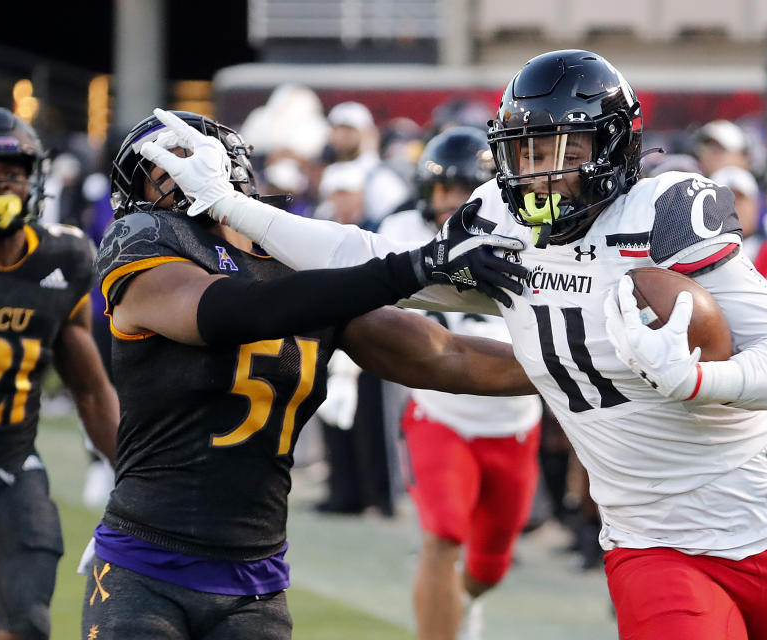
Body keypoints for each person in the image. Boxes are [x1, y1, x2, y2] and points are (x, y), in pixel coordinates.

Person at [157, 49, 767, 639]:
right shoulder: (497, 224)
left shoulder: (663, 214)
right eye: (526, 150)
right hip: (650, 537)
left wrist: (696, 380)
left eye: (561, 150)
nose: (538, 171)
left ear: (611, 148)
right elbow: (363, 255)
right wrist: (230, 204)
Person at [81, 110, 534, 640]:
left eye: (193, 159)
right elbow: (225, 311)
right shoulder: (144, 242)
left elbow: (442, 354)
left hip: (255, 580)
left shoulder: (295, 262)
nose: (181, 176)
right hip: (146, 564)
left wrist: (584, 362)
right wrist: (408, 269)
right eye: (163, 167)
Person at [378, 126, 543, 640]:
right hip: (441, 414)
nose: (451, 201)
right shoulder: (403, 229)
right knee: (443, 533)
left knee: (489, 568)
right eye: (443, 189)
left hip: (515, 423)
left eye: (464, 189)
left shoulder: (529, 232)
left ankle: (459, 602)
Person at [0, 106, 118, 640]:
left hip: (10, 466)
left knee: (29, 624)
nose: (1, 183)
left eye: (13, 171)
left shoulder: (63, 257)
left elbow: (89, 385)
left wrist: (131, 476)